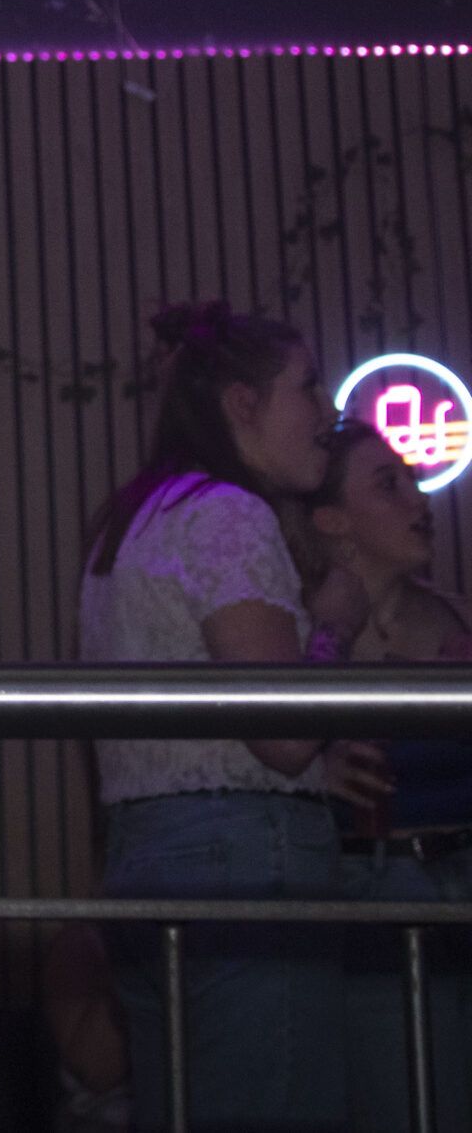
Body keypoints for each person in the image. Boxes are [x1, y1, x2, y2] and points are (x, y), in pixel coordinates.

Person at [76, 302, 381, 1130]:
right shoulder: (228, 512)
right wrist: (335, 626)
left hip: (145, 854)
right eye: (307, 386)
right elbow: (282, 734)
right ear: (243, 403)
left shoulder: (136, 518)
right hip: (242, 860)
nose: (328, 411)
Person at [291, 420, 471, 1131]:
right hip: (368, 889)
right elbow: (255, 753)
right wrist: (314, 768)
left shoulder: (461, 619)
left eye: (414, 480)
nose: (419, 498)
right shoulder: (304, 633)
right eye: (388, 485)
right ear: (333, 521)